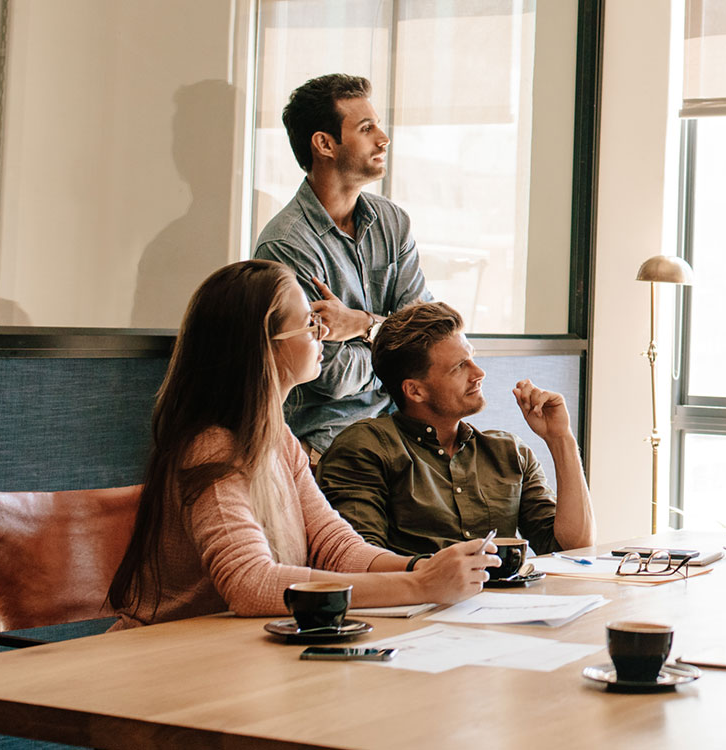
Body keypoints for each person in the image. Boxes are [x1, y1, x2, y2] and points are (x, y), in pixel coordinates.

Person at [108, 260, 492, 630]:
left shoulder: (277, 438)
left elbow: (337, 549)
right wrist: (419, 586)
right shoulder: (213, 448)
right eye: (310, 323)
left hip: (228, 653)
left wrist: (422, 567)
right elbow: (251, 585)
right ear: (266, 346)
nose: (323, 332)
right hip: (165, 660)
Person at [317, 301, 596, 558]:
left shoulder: (509, 452)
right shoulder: (365, 448)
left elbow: (573, 549)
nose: (479, 373)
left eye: (472, 358)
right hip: (417, 608)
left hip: (504, 608)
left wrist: (560, 439)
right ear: (415, 390)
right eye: (460, 367)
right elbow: (359, 559)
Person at [253, 73, 431, 459]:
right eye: (367, 128)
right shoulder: (287, 245)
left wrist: (364, 324)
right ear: (324, 144)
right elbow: (329, 376)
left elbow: (429, 336)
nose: (383, 139)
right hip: (327, 447)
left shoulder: (392, 222)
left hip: (401, 433)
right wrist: (396, 350)